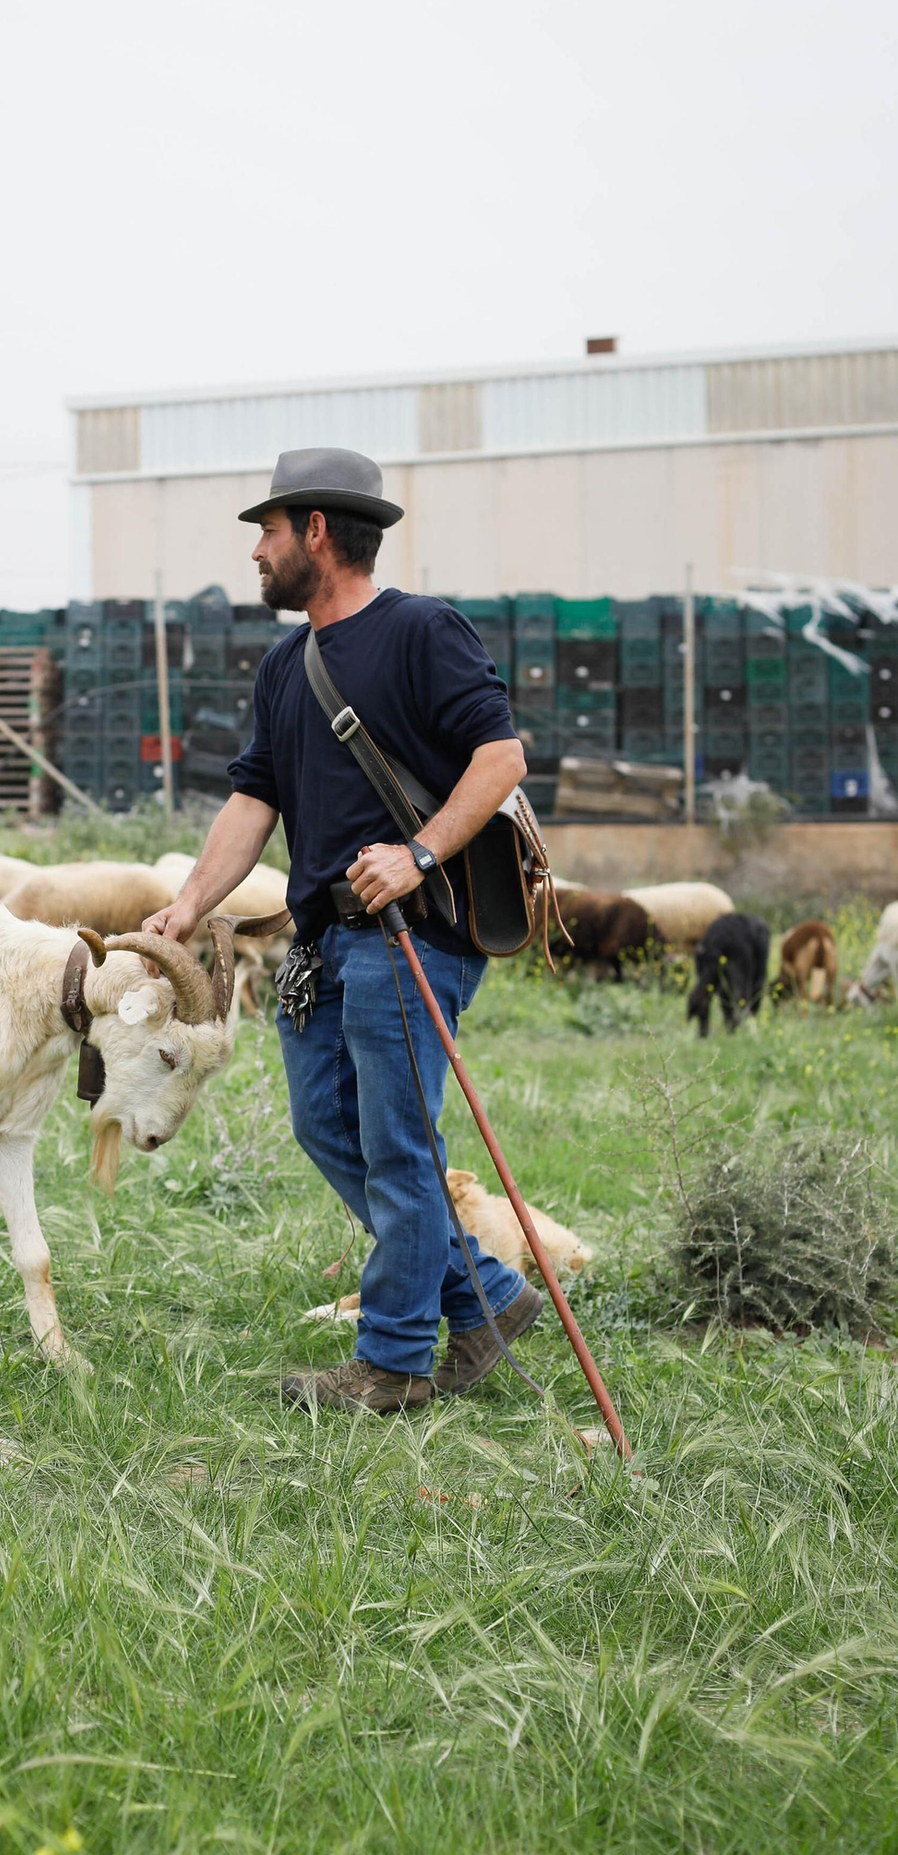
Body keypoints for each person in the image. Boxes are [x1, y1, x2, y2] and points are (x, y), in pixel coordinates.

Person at [143, 445, 541, 1413]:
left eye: (267, 534)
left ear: (315, 532)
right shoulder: (288, 667)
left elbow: (501, 760)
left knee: (398, 1146)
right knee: (327, 1127)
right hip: (323, 947)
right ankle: (482, 1298)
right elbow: (253, 804)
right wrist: (190, 902)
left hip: (412, 936)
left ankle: (395, 1360)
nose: (257, 555)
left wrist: (418, 854)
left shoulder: (419, 632)